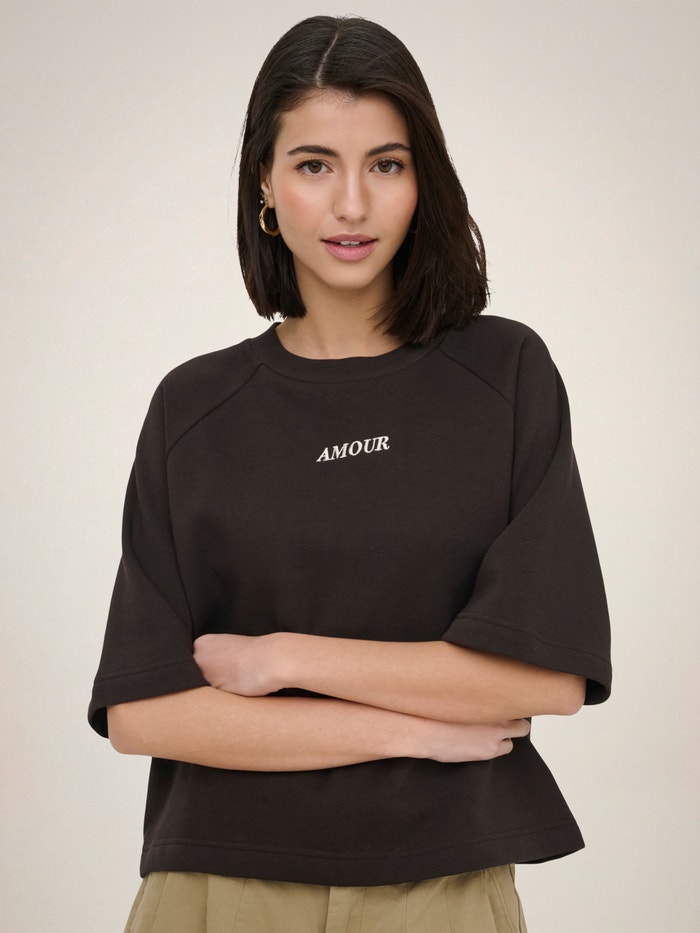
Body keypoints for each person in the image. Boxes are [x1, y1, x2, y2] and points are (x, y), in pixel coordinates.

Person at [89, 15, 611, 933]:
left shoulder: (504, 376)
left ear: (423, 179)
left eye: (387, 164)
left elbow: (543, 676)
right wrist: (411, 728)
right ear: (264, 180)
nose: (352, 206)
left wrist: (281, 659)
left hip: (442, 891)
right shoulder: (194, 407)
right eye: (314, 164)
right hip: (216, 889)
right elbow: (144, 713)